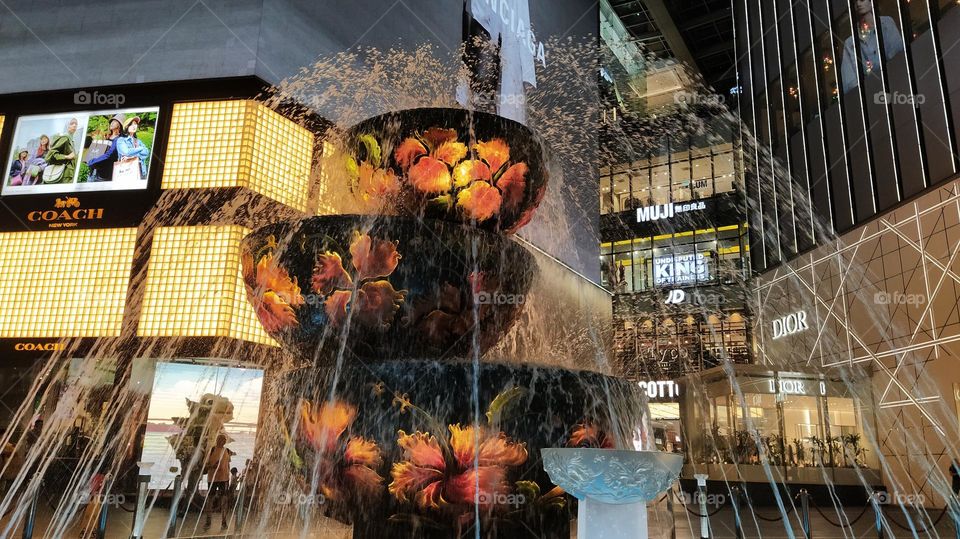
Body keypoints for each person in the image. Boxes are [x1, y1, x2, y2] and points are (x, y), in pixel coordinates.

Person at [840, 0, 904, 93]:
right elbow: (850, 83)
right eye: (855, 2)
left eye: (862, 0)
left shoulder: (886, 23)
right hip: (870, 94)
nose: (858, 4)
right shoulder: (850, 43)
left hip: (896, 83)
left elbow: (898, 55)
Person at [204, 434, 234, 530]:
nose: (222, 441)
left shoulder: (227, 451)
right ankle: (208, 520)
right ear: (217, 440)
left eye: (224, 440)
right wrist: (212, 466)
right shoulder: (211, 450)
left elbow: (228, 464)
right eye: (220, 439)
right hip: (212, 479)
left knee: (224, 499)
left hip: (224, 479)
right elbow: (205, 465)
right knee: (210, 499)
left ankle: (224, 521)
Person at [86, 114, 125, 182]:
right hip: (93, 172)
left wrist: (91, 162)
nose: (111, 123)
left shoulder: (119, 140)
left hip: (103, 176)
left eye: (114, 121)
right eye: (111, 121)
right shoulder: (105, 136)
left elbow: (109, 155)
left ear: (119, 125)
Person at [44, 119, 79, 184]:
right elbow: (51, 155)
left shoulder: (71, 140)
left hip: (68, 174)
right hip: (62, 175)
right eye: (72, 123)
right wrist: (67, 157)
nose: (74, 125)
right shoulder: (64, 137)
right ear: (67, 126)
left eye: (76, 124)